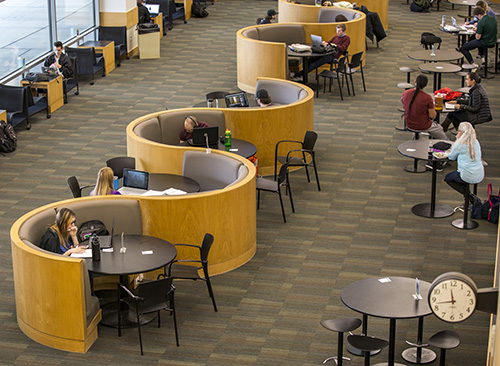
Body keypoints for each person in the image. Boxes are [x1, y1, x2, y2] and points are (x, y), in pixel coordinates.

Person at [444, 122, 484, 202]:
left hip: (466, 175)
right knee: (459, 179)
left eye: (458, 131)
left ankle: (469, 197)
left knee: (448, 178)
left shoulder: (460, 144)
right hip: (479, 173)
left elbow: (451, 157)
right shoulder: (476, 142)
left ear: (462, 132)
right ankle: (471, 197)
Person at [401, 75, 448, 140]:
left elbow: (404, 104)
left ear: (415, 82)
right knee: (441, 133)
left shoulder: (406, 93)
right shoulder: (427, 97)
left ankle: (416, 139)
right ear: (425, 85)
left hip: (409, 123)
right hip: (423, 125)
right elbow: (433, 116)